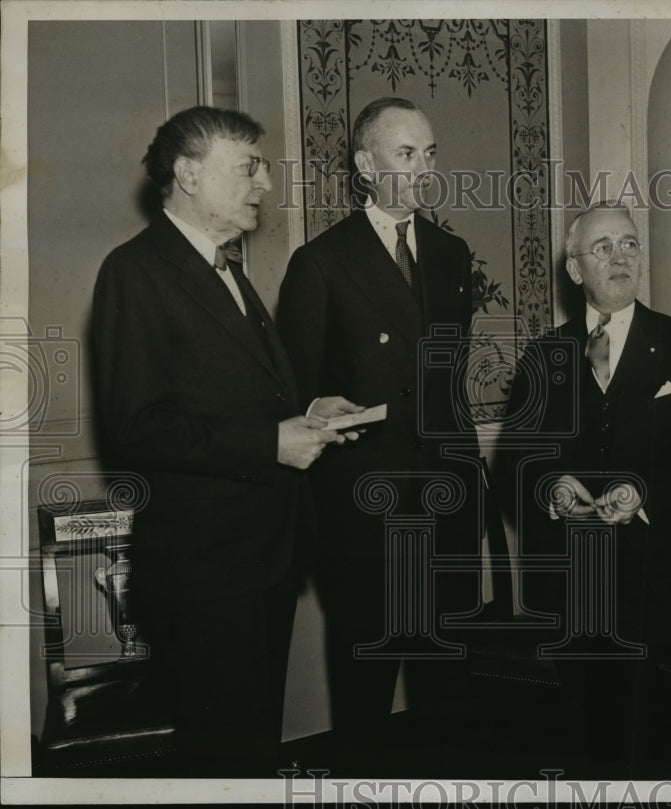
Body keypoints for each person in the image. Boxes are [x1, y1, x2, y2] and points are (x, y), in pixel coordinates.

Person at [92, 106, 358, 776]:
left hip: (260, 556)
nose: (265, 183)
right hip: (204, 572)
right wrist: (270, 442)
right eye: (248, 166)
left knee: (251, 747)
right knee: (228, 757)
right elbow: (136, 426)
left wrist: (306, 407)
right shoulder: (135, 272)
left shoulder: (226, 267)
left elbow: (228, 395)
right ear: (188, 174)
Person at [277, 97, 477, 763]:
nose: (424, 168)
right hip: (364, 516)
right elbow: (294, 399)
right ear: (366, 164)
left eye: (430, 153)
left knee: (447, 686)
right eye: (406, 153)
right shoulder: (321, 263)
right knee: (365, 689)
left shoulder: (452, 254)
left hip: (447, 505)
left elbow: (448, 387)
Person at [498, 202, 671, 777]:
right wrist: (553, 485)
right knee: (583, 739)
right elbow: (514, 464)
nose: (621, 257)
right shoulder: (543, 355)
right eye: (603, 248)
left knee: (659, 738)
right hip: (571, 582)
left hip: (658, 581)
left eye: (629, 244)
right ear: (575, 270)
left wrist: (643, 495)